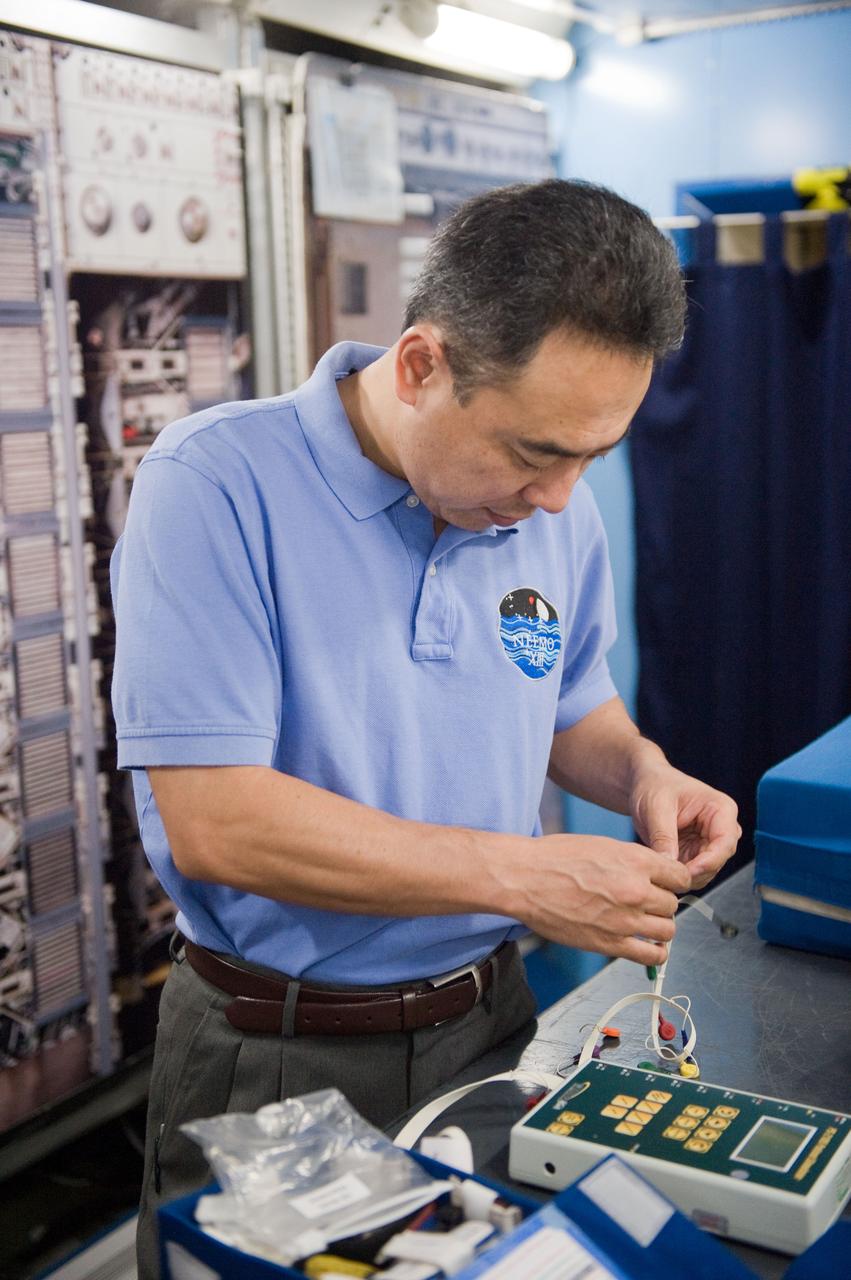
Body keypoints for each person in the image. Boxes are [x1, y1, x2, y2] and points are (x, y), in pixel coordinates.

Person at [111, 179, 741, 1277]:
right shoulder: (212, 484)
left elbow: (564, 700)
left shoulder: (551, 505)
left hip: (485, 1025)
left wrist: (641, 770)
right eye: (534, 451)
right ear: (419, 365)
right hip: (278, 1051)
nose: (557, 496)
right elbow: (219, 824)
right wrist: (521, 874)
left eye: (592, 456)